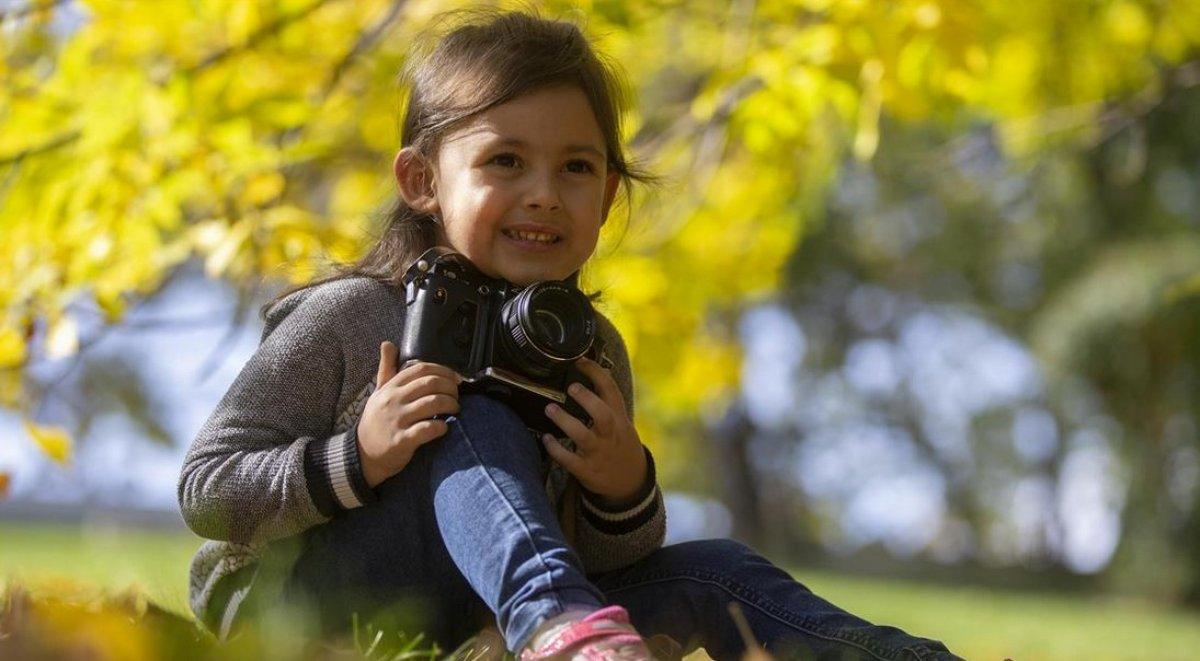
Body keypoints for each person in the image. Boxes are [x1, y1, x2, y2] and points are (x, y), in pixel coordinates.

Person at [177, 8, 962, 661]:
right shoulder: (353, 314)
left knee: (717, 568)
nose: (544, 195)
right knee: (467, 413)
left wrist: (624, 487)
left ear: (609, 190)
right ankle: (562, 632)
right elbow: (207, 491)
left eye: (577, 168)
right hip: (303, 609)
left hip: (488, 623)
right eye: (506, 161)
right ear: (421, 181)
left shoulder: (586, 348)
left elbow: (608, 557)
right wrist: (359, 457)